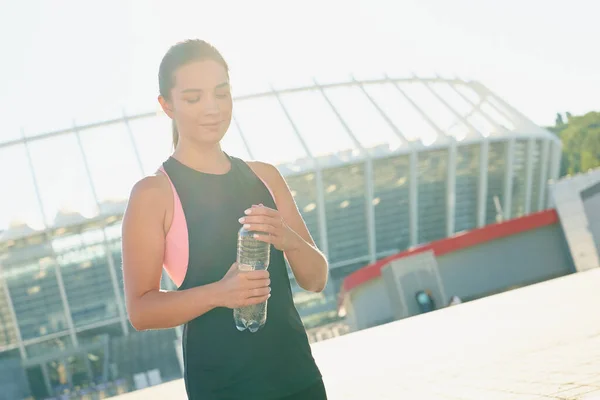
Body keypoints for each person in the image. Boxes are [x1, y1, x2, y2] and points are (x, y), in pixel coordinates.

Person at [121, 39, 329, 400]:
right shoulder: (153, 194)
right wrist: (221, 293)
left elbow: (316, 279)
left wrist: (289, 239)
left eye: (222, 93)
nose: (212, 108)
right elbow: (141, 310)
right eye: (193, 98)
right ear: (166, 105)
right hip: (223, 389)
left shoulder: (265, 177)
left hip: (300, 381)